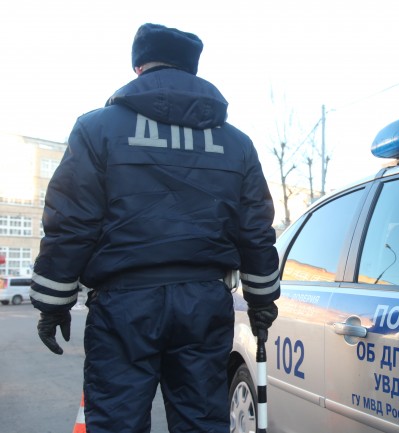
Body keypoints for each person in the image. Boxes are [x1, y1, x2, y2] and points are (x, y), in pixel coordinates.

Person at [30, 23, 280, 433]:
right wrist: (262, 300)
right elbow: (255, 229)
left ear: (139, 66)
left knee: (117, 421)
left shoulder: (97, 129)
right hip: (204, 302)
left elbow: (71, 221)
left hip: (124, 306)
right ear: (193, 69)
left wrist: (52, 301)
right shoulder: (237, 144)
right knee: (202, 421)